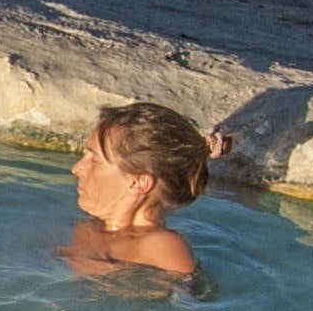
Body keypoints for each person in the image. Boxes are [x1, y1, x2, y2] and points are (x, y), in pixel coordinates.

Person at [62, 100, 228, 281]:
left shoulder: (162, 247)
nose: (77, 168)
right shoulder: (86, 228)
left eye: (95, 160)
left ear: (139, 182)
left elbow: (186, 306)